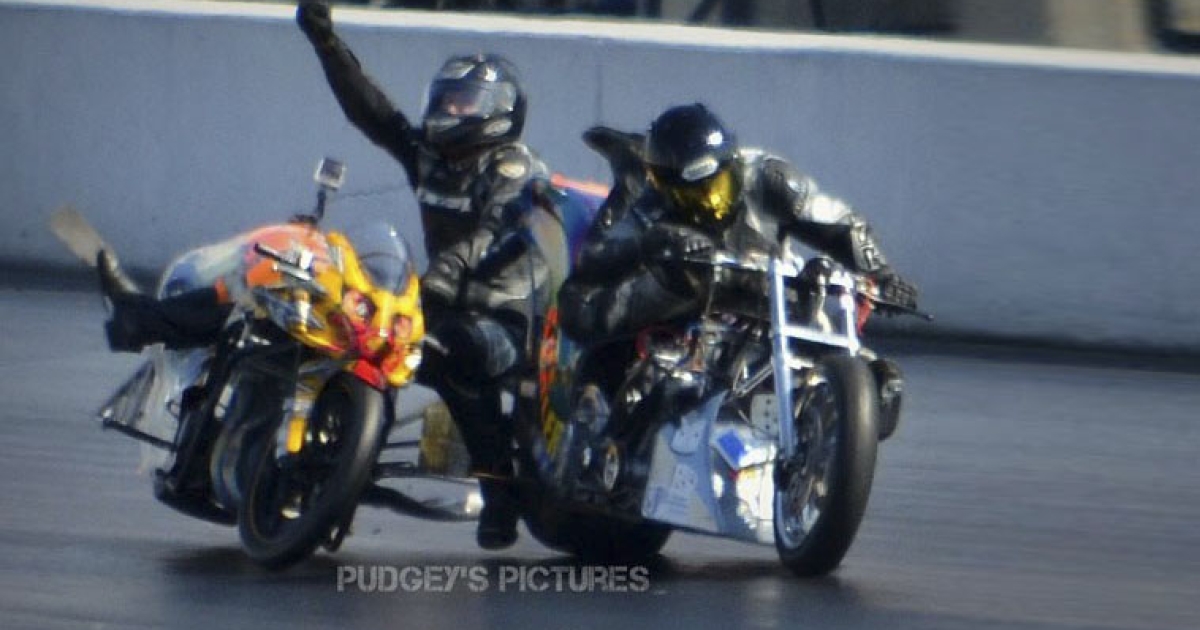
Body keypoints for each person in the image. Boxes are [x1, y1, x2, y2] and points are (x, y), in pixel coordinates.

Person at [291, 0, 561, 550]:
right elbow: (373, 114)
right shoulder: (431, 157)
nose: (448, 110)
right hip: (436, 298)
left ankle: (498, 489)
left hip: (509, 318)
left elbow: (496, 230)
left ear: (497, 111)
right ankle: (329, 458)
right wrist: (327, 45)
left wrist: (445, 274)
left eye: (463, 102)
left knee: (455, 353)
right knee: (358, 330)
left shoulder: (514, 168)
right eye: (446, 99)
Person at [558, 103, 918, 438]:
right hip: (684, 300)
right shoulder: (645, 207)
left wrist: (881, 273)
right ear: (666, 187)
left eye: (718, 186)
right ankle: (605, 421)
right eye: (695, 195)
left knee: (876, 378)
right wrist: (652, 245)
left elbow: (839, 222)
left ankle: (828, 416)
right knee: (592, 321)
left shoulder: (768, 178)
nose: (712, 202)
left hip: (766, 292)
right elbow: (592, 266)